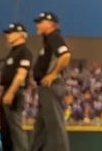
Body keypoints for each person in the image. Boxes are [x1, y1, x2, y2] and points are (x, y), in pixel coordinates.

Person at [30, 12, 70, 151]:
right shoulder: (48, 40)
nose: (37, 25)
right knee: (41, 127)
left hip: (51, 86)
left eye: (41, 22)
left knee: (54, 126)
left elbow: (65, 55)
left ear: (50, 24)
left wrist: (53, 74)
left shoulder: (54, 36)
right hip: (45, 87)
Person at [0, 23, 33, 151]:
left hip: (15, 91)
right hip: (7, 89)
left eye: (11, 32)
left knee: (15, 128)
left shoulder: (24, 51)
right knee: (6, 129)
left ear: (20, 34)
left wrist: (11, 92)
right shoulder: (13, 52)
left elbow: (21, 75)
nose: (8, 35)